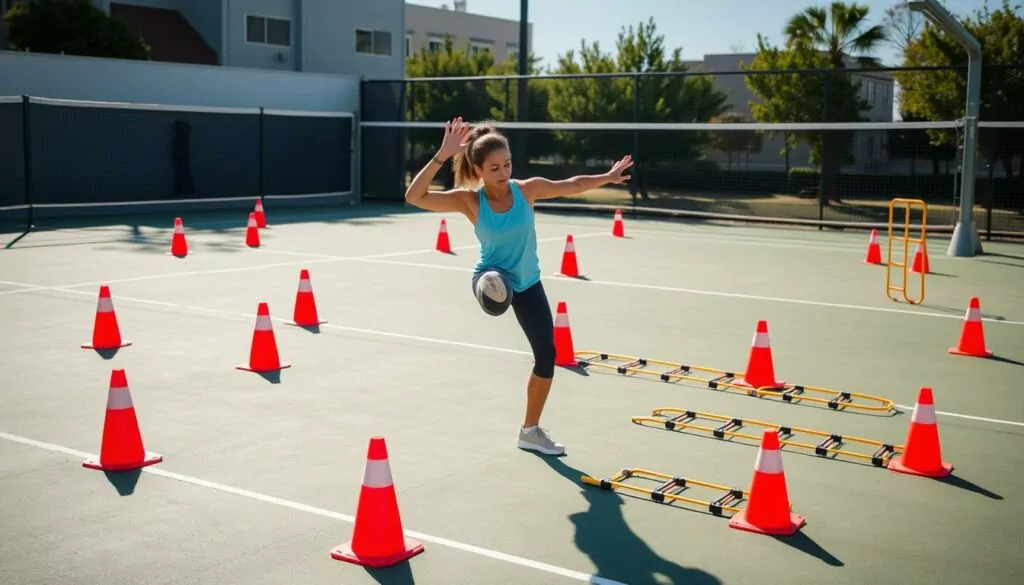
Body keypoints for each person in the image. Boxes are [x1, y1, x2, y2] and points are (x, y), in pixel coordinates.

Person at [404, 117, 633, 456]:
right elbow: (415, 196)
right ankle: (491, 288)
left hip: (527, 282)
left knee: (547, 356)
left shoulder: (528, 190)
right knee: (495, 284)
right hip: (491, 276)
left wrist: (607, 177)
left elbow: (571, 183)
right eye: (494, 167)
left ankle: (530, 431)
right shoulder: (471, 201)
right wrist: (442, 154)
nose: (503, 171)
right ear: (479, 169)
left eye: (507, 163)